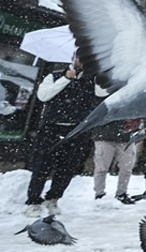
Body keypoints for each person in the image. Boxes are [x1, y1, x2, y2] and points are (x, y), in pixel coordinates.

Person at [25, 58, 98, 217]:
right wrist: (66, 78)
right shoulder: (55, 75)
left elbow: (105, 94)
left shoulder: (93, 80)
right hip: (51, 129)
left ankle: (53, 198)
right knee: (41, 166)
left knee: (67, 168)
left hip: (77, 131)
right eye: (80, 57)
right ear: (73, 58)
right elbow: (43, 96)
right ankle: (33, 201)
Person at [88, 117, 142, 203]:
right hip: (104, 136)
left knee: (127, 168)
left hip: (126, 137)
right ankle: (99, 194)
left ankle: (122, 193)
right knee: (101, 168)